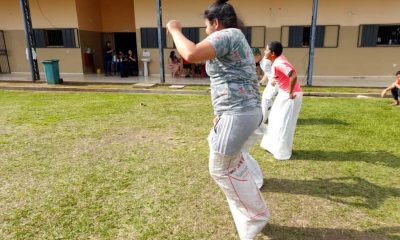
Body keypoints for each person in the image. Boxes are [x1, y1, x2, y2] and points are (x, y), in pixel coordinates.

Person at [166, 1, 269, 239]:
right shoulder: (235, 37)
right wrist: (220, 113)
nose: (205, 32)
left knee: (220, 168)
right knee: (229, 156)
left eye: (206, 26)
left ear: (215, 22)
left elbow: (190, 54)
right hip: (240, 111)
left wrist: (174, 30)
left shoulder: (227, 34)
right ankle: (253, 186)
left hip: (239, 113)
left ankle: (256, 215)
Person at [260, 41, 303, 160]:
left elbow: (293, 75)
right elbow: (281, 75)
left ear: (272, 53)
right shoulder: (277, 60)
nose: (265, 52)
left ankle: (282, 152)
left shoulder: (279, 63)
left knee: (284, 123)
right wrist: (275, 80)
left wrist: (290, 92)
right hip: (284, 94)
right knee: (274, 118)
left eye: (267, 50)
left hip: (291, 96)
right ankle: (272, 146)